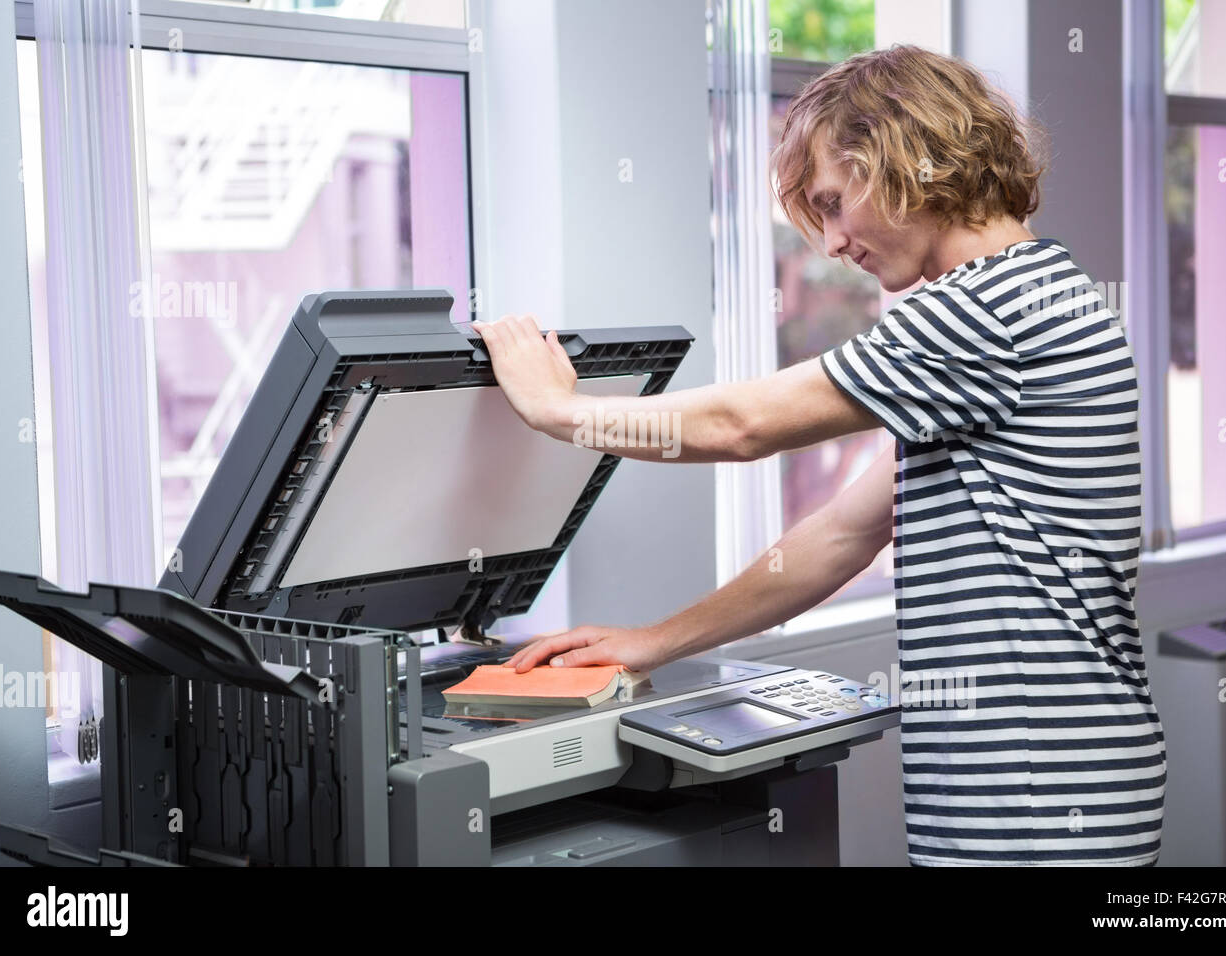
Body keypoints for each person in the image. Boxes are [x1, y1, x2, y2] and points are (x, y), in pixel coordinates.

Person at [472, 44, 1165, 867]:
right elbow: (842, 532)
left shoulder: (985, 307)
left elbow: (744, 426)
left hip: (1037, 791)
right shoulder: (1036, 291)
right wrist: (652, 641)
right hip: (1043, 777)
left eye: (835, 202)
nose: (834, 242)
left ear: (908, 155)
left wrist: (560, 412)